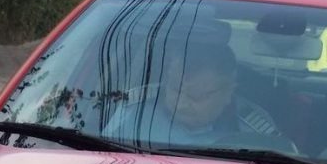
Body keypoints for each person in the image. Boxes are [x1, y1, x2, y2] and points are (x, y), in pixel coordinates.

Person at [104, 42, 279, 147]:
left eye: (196, 96)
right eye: (174, 89)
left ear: (228, 92)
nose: (180, 105)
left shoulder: (255, 131)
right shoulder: (133, 109)